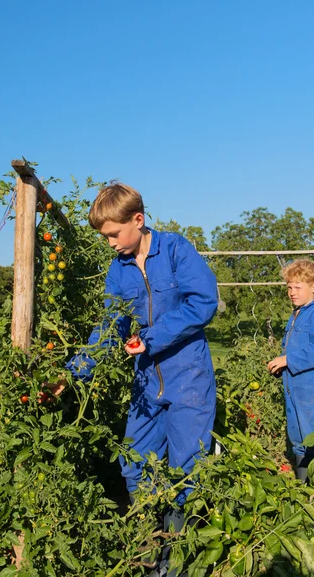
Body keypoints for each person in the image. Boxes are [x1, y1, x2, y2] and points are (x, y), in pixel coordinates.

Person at [65, 183, 218, 576]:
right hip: (147, 383)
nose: (111, 244)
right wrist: (74, 373)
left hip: (188, 377)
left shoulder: (176, 250)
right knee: (135, 465)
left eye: (114, 234)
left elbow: (203, 302)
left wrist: (150, 338)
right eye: (105, 237)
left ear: (138, 219)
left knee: (186, 471)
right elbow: (109, 323)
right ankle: (151, 559)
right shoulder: (119, 270)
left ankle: (179, 563)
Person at [267, 259, 314, 482]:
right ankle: (303, 490)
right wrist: (282, 365)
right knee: (297, 438)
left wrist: (288, 359)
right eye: (289, 287)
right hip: (293, 388)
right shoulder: (296, 315)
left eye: (298, 287)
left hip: (311, 390)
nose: (291, 292)